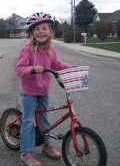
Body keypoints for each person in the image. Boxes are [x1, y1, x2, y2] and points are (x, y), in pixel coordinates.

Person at [15, 12, 74, 166]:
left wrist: (70, 68)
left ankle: (46, 145)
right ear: (31, 32)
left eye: (44, 28)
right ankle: (26, 153)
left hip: (43, 90)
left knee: (44, 118)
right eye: (37, 29)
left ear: (50, 32)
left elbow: (56, 64)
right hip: (29, 91)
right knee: (28, 120)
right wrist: (32, 69)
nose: (41, 31)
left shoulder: (51, 49)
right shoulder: (27, 49)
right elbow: (20, 69)